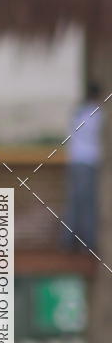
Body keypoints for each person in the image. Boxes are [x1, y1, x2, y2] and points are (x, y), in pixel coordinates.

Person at [63, 82, 103, 252]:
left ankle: (67, 240)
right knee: (87, 203)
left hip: (75, 160)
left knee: (74, 201)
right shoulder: (98, 114)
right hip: (88, 161)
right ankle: (86, 242)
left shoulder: (79, 112)